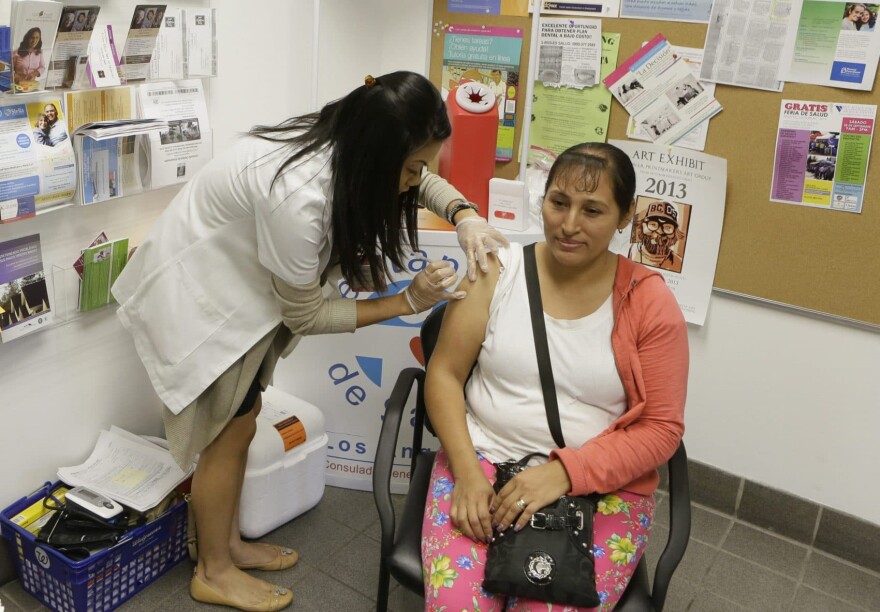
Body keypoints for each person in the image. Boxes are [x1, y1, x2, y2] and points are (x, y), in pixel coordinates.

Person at [110, 71, 508, 612]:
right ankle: (213, 571)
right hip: (204, 307)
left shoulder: (345, 139)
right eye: (412, 167)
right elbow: (306, 313)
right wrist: (405, 302)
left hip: (239, 298)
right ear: (379, 154)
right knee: (225, 437)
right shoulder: (301, 196)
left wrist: (464, 216)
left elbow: (419, 175)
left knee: (243, 421)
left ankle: (226, 545)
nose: (418, 179)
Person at [421, 142, 688, 611]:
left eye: (593, 210)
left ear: (625, 216)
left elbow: (662, 428)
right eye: (558, 202)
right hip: (480, 462)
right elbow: (443, 374)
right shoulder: (495, 272)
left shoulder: (649, 302)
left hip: (599, 487)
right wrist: (466, 474)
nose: (569, 225)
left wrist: (566, 472)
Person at [627, 200, 684, 271]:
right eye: (653, 224)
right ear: (643, 225)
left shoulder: (678, 262)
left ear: (675, 233)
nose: (659, 232)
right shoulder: (632, 250)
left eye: (667, 227)